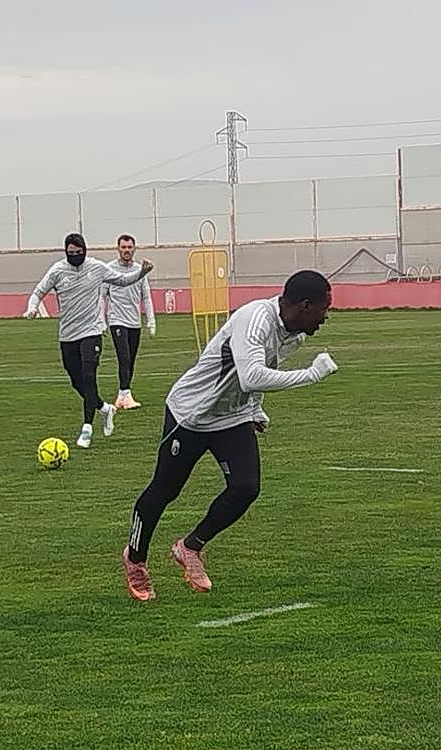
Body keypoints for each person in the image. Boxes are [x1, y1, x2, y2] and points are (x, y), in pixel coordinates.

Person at [121, 270, 338, 601]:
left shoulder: (294, 333)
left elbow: (262, 369)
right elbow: (251, 375)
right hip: (191, 414)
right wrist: (310, 375)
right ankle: (135, 559)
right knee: (164, 491)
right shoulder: (256, 319)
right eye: (325, 307)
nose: (326, 316)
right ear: (305, 305)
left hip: (232, 416)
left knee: (245, 487)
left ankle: (189, 547)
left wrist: (254, 410)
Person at [24, 233, 154, 448]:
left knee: (88, 374)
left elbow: (122, 280)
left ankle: (87, 428)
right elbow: (38, 291)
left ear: (85, 250)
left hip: (92, 331)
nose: (75, 255)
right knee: (76, 379)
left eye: (79, 252)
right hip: (68, 334)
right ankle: (104, 408)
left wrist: (142, 272)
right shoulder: (58, 270)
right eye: (71, 252)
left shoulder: (96, 268)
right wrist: (32, 307)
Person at [105, 234, 156, 410]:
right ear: (118, 248)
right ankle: (126, 394)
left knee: (131, 360)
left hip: (134, 321)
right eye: (123, 247)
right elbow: (101, 296)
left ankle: (122, 395)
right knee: (124, 357)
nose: (126, 250)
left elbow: (146, 297)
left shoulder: (140, 270)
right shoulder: (109, 269)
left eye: (129, 247)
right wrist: (100, 321)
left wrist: (151, 321)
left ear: (134, 249)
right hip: (117, 320)